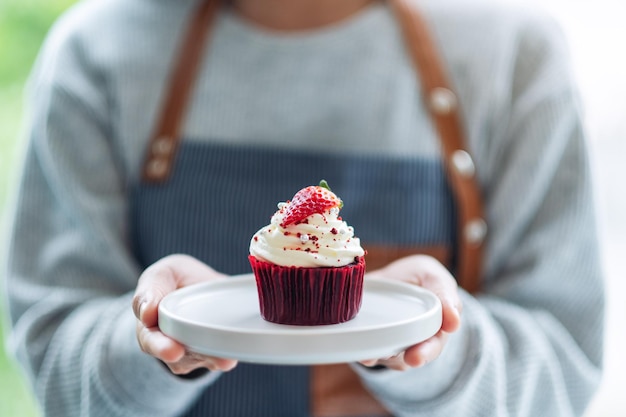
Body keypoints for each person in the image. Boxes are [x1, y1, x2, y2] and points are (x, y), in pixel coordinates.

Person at [4, 0, 604, 415]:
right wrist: (155, 340)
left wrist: (433, 346)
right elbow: (54, 367)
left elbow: (564, 369)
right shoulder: (97, 50)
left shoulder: (513, 52)